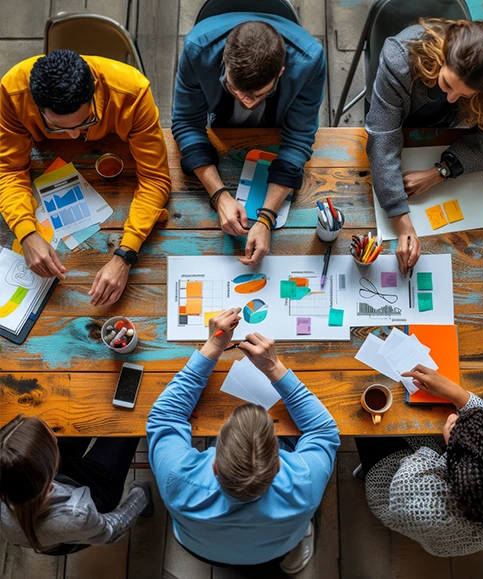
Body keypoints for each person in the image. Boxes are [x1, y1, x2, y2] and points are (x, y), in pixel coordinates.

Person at [147, 308, 339, 574]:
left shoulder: (178, 479)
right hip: (275, 549)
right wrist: (273, 367)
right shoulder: (304, 482)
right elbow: (323, 431)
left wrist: (213, 345)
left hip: (198, 547)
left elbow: (165, 417)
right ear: (279, 463)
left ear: (214, 464)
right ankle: (296, 538)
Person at [0, 50, 172, 306]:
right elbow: (9, 170)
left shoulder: (134, 92)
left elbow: (156, 179)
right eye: (57, 128)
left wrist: (125, 254)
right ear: (36, 106)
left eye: (85, 122)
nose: (71, 137)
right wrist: (26, 233)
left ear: (94, 94)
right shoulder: (12, 92)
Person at [366, 19, 483, 275]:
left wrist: (441, 171)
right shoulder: (400, 59)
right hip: (397, 122)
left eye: (465, 95)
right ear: (442, 57)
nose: (451, 98)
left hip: (445, 139)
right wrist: (402, 222)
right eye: (447, 85)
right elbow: (383, 136)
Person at [353, 366, 483, 557]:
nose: (453, 417)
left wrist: (451, 443)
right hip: (461, 507)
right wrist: (459, 395)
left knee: (369, 427)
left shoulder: (414, 497)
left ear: (456, 470)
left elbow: (418, 461)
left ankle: (366, 470)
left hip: (394, 487)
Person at [172, 14, 326, 266]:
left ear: (281, 71)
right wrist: (219, 195)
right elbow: (187, 123)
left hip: (275, 130)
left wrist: (266, 218)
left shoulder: (309, 61)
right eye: (235, 89)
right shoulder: (197, 50)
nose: (247, 102)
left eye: (260, 94)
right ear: (225, 61)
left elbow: (299, 137)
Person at [0, 415, 152, 554]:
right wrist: (140, 494)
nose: (54, 439)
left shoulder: (9, 472)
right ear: (52, 462)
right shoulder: (77, 515)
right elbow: (112, 531)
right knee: (128, 424)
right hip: (95, 497)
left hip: (50, 489)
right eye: (52, 440)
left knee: (80, 418)